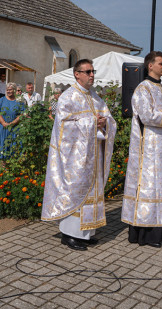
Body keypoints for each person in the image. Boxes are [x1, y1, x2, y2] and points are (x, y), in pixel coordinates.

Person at [41, 59, 116, 251]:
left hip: (93, 156)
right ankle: (69, 235)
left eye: (93, 71)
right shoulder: (68, 97)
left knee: (91, 193)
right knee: (75, 192)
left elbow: (108, 119)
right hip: (75, 158)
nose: (92, 75)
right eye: (88, 72)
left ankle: (86, 233)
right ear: (77, 74)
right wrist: (92, 122)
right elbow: (63, 127)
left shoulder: (95, 97)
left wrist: (104, 122)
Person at [122, 51, 162, 247]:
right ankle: (147, 235)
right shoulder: (143, 89)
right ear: (150, 66)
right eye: (161, 63)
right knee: (150, 189)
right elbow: (147, 117)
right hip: (150, 149)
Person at [0, 83, 25, 158]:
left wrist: (13, 123)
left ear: (14, 90)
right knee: (3, 145)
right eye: (7, 90)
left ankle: (13, 161)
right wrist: (3, 123)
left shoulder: (19, 101)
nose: (8, 91)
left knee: (14, 145)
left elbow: (22, 114)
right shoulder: (2, 100)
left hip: (15, 127)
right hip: (3, 127)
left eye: (10, 89)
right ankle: (4, 162)